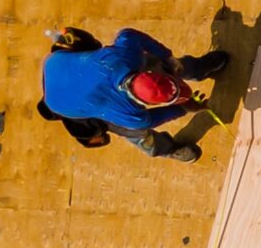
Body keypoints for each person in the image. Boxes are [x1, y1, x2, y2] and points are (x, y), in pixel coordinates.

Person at [35, 27, 227, 161]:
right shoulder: (128, 116)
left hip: (57, 64)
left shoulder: (125, 56)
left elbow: (129, 34)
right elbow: (150, 120)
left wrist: (169, 58)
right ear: (144, 103)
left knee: (166, 65)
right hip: (60, 99)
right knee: (140, 136)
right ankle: (169, 149)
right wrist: (184, 108)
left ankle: (197, 68)